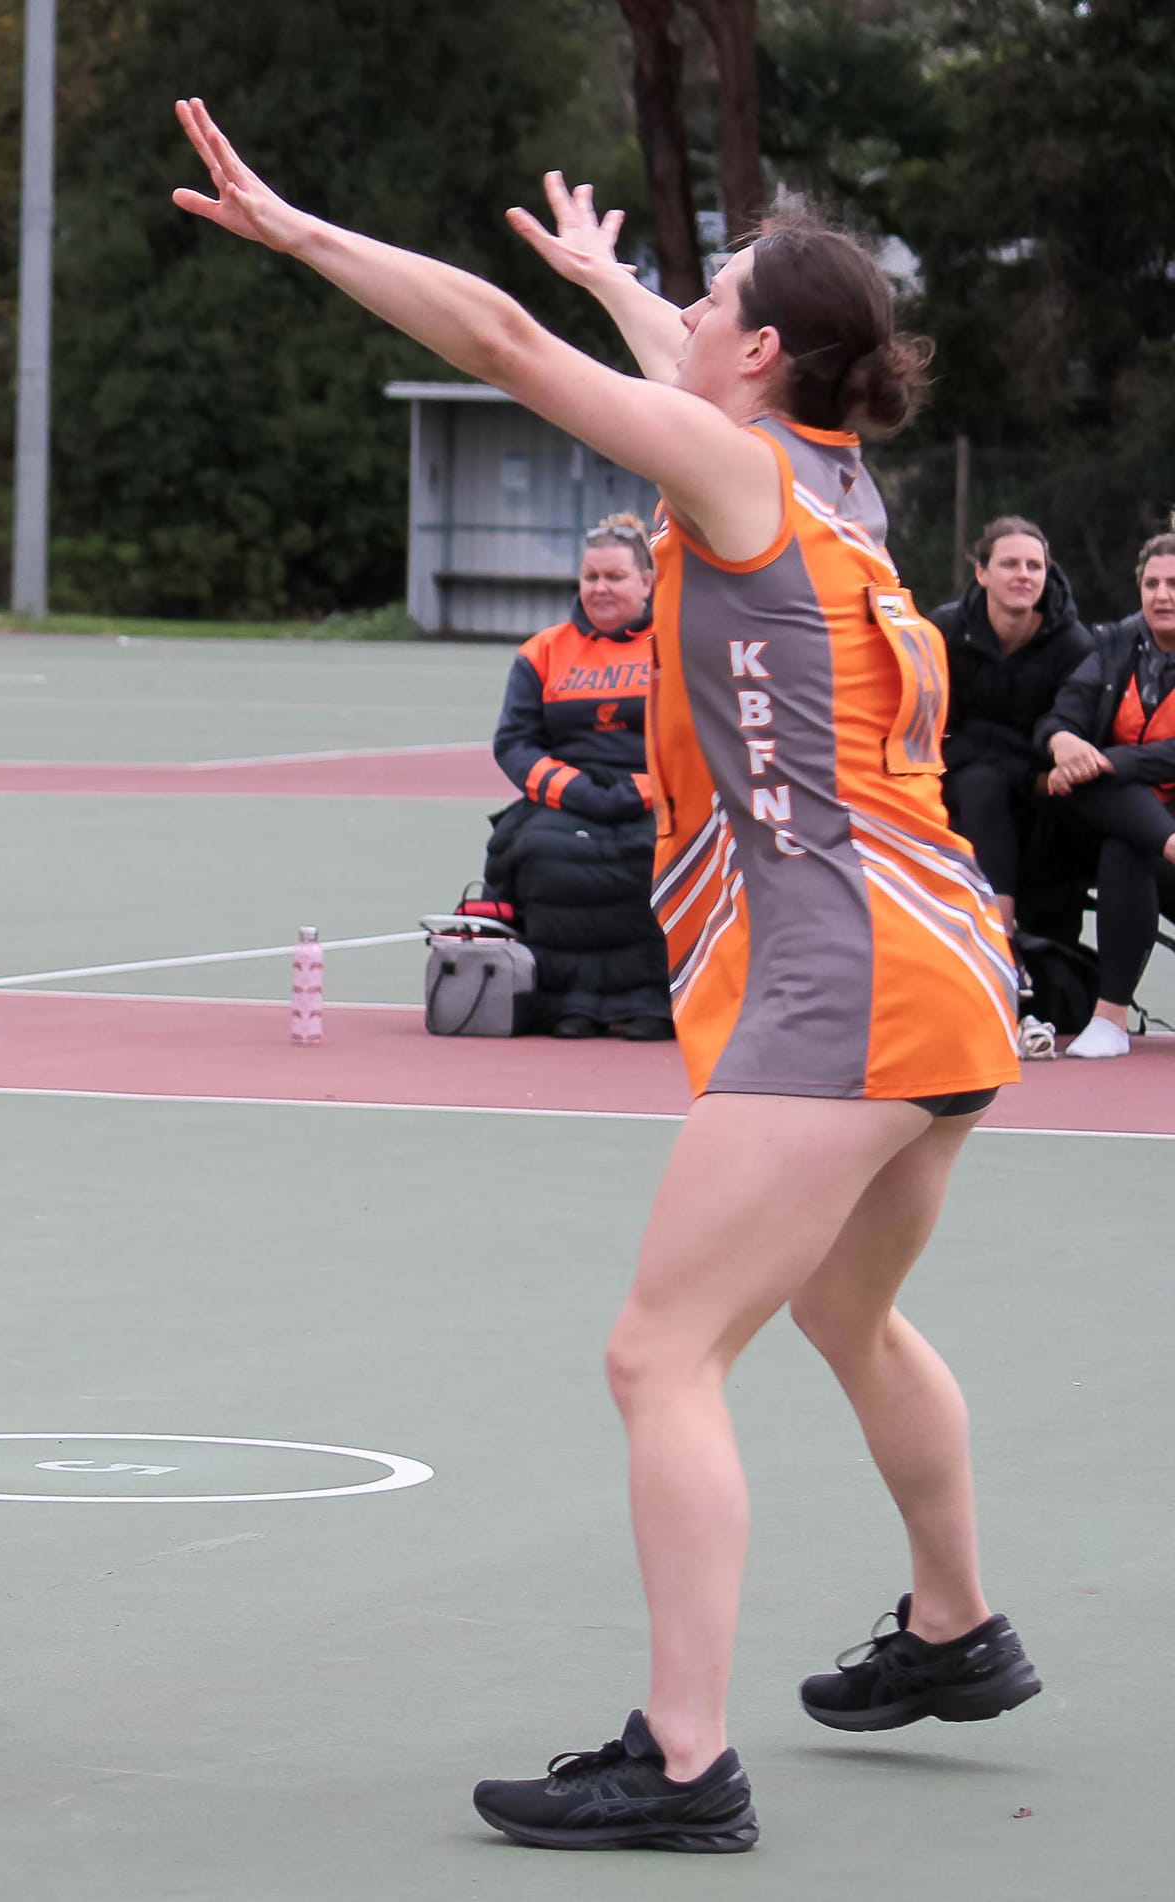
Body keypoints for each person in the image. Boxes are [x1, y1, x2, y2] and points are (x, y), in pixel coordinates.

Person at [175, 112, 1036, 1850]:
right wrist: (617, 280)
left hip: (848, 980)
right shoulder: (834, 479)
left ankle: (686, 1758)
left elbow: (506, 348)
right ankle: (956, 1625)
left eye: (712, 297)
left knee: (661, 1356)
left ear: (763, 352)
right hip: (948, 966)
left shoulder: (731, 475)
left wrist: (306, 231)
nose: (685, 313)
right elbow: (680, 365)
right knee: (846, 1311)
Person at [486, 514, 671, 1039]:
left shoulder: (678, 646)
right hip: (568, 799)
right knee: (543, 852)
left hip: (653, 798)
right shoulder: (541, 651)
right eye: (591, 577)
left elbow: (703, 735)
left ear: (647, 582)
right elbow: (515, 743)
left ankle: (653, 1003)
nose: (600, 588)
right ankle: (567, 1004)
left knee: (653, 856)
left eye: (614, 576)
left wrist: (645, 790)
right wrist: (575, 791)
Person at [1032, 518, 1175, 1059]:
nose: (1162, 595)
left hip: (1146, 828)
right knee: (1121, 839)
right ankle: (1109, 1021)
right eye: (1152, 584)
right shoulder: (1110, 644)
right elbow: (1059, 716)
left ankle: (1111, 1019)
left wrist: (1099, 761)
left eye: (1174, 584)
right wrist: (1063, 741)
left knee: (1123, 833)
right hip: (1106, 831)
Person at [931, 517, 1093, 956]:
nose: (1023, 575)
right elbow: (938, 731)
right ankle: (999, 939)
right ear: (982, 573)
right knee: (981, 783)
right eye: (1009, 564)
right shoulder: (944, 631)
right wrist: (1024, 769)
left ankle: (1048, 966)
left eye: (1034, 566)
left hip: (1041, 792)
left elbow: (1068, 725)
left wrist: (1036, 771)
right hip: (963, 779)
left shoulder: (1074, 645)